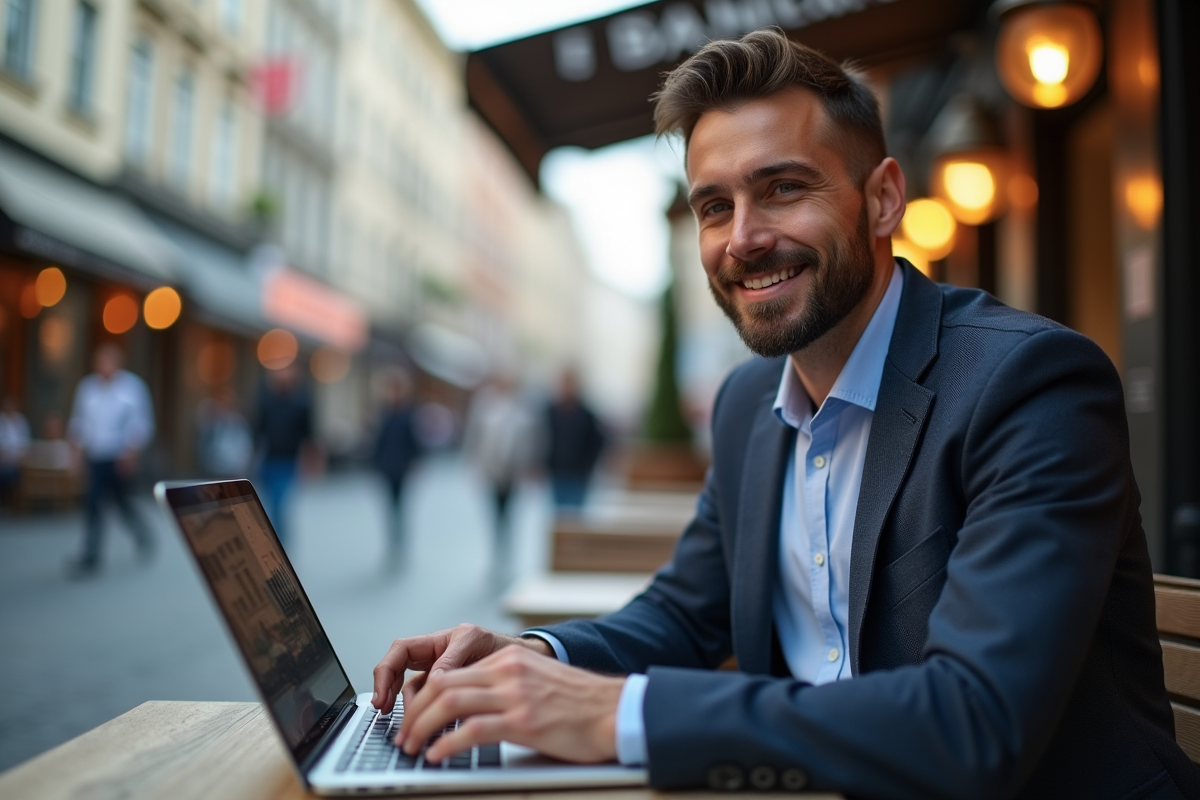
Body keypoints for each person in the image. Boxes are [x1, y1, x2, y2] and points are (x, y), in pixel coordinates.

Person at [368, 31, 1200, 800]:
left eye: (783, 188)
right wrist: (535, 656)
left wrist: (613, 714)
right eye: (714, 206)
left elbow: (976, 723)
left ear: (882, 201)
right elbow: (684, 614)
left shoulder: (1029, 385)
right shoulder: (744, 406)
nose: (743, 239)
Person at [66, 343, 155, 577]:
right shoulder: (87, 388)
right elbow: (80, 422)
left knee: (121, 502)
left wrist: (132, 453)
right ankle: (91, 554)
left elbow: (141, 423)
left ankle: (142, 532)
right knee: (93, 502)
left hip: (119, 456)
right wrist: (76, 453)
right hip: (96, 455)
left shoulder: (133, 388)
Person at [461, 374, 536, 561]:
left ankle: (506, 550)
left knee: (509, 512)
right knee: (494, 512)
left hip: (513, 472)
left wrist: (530, 467)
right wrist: (473, 465)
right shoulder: (486, 407)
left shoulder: (524, 409)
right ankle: (496, 550)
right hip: (491, 470)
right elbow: (474, 438)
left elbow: (532, 441)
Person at [255, 362, 321, 547]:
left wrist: (310, 462)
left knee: (279, 503)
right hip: (269, 459)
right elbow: (258, 430)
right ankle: (276, 539)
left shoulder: (301, 403)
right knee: (268, 502)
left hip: (288, 461)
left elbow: (308, 436)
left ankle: (279, 541)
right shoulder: (266, 401)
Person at [371, 368, 422, 563]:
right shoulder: (383, 413)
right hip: (386, 465)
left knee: (399, 506)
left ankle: (399, 543)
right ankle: (392, 543)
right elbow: (378, 442)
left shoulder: (407, 414)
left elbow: (414, 442)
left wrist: (415, 463)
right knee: (389, 506)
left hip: (401, 466)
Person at [543, 369, 605, 513]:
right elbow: (542, 440)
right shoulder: (551, 412)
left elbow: (598, 442)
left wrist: (588, 465)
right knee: (558, 515)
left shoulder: (586, 414)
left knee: (576, 517)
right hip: (557, 473)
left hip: (578, 475)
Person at [196, 386, 254, 477]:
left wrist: (241, 467)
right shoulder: (212, 422)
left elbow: (245, 447)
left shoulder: (237, 422)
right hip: (212, 471)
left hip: (232, 472)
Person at [0, 396, 30, 509]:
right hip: (3, 460)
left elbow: (24, 443)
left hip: (18, 460)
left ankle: (15, 504)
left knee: (17, 474)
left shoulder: (21, 421)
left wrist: (19, 457)